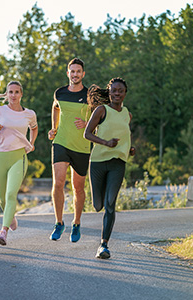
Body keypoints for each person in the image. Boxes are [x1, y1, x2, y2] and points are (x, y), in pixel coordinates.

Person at [0, 81, 38, 246]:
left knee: (11, 194)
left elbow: (34, 127)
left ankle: (3, 232)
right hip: (0, 156)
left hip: (19, 156)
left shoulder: (29, 114)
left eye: (17, 92)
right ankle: (10, 218)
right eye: (10, 92)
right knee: (2, 199)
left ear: (21, 94)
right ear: (7, 94)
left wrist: (31, 143)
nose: (13, 95)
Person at [84, 77, 136, 259]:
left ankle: (103, 245)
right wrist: (105, 142)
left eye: (120, 91)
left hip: (117, 164)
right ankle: (102, 199)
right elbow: (87, 134)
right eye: (114, 90)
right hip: (98, 162)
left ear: (125, 93)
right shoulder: (101, 110)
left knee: (110, 205)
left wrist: (129, 148)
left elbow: (124, 134)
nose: (117, 94)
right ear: (109, 92)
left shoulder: (127, 114)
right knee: (98, 205)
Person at [48, 58, 91, 243]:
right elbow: (55, 107)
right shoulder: (60, 92)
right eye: (72, 71)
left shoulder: (90, 95)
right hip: (61, 142)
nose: (75, 74)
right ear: (68, 73)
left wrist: (87, 123)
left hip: (81, 145)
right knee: (58, 183)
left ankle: (76, 223)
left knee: (78, 188)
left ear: (83, 73)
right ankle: (58, 223)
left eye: (78, 71)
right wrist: (54, 128)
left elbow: (100, 116)